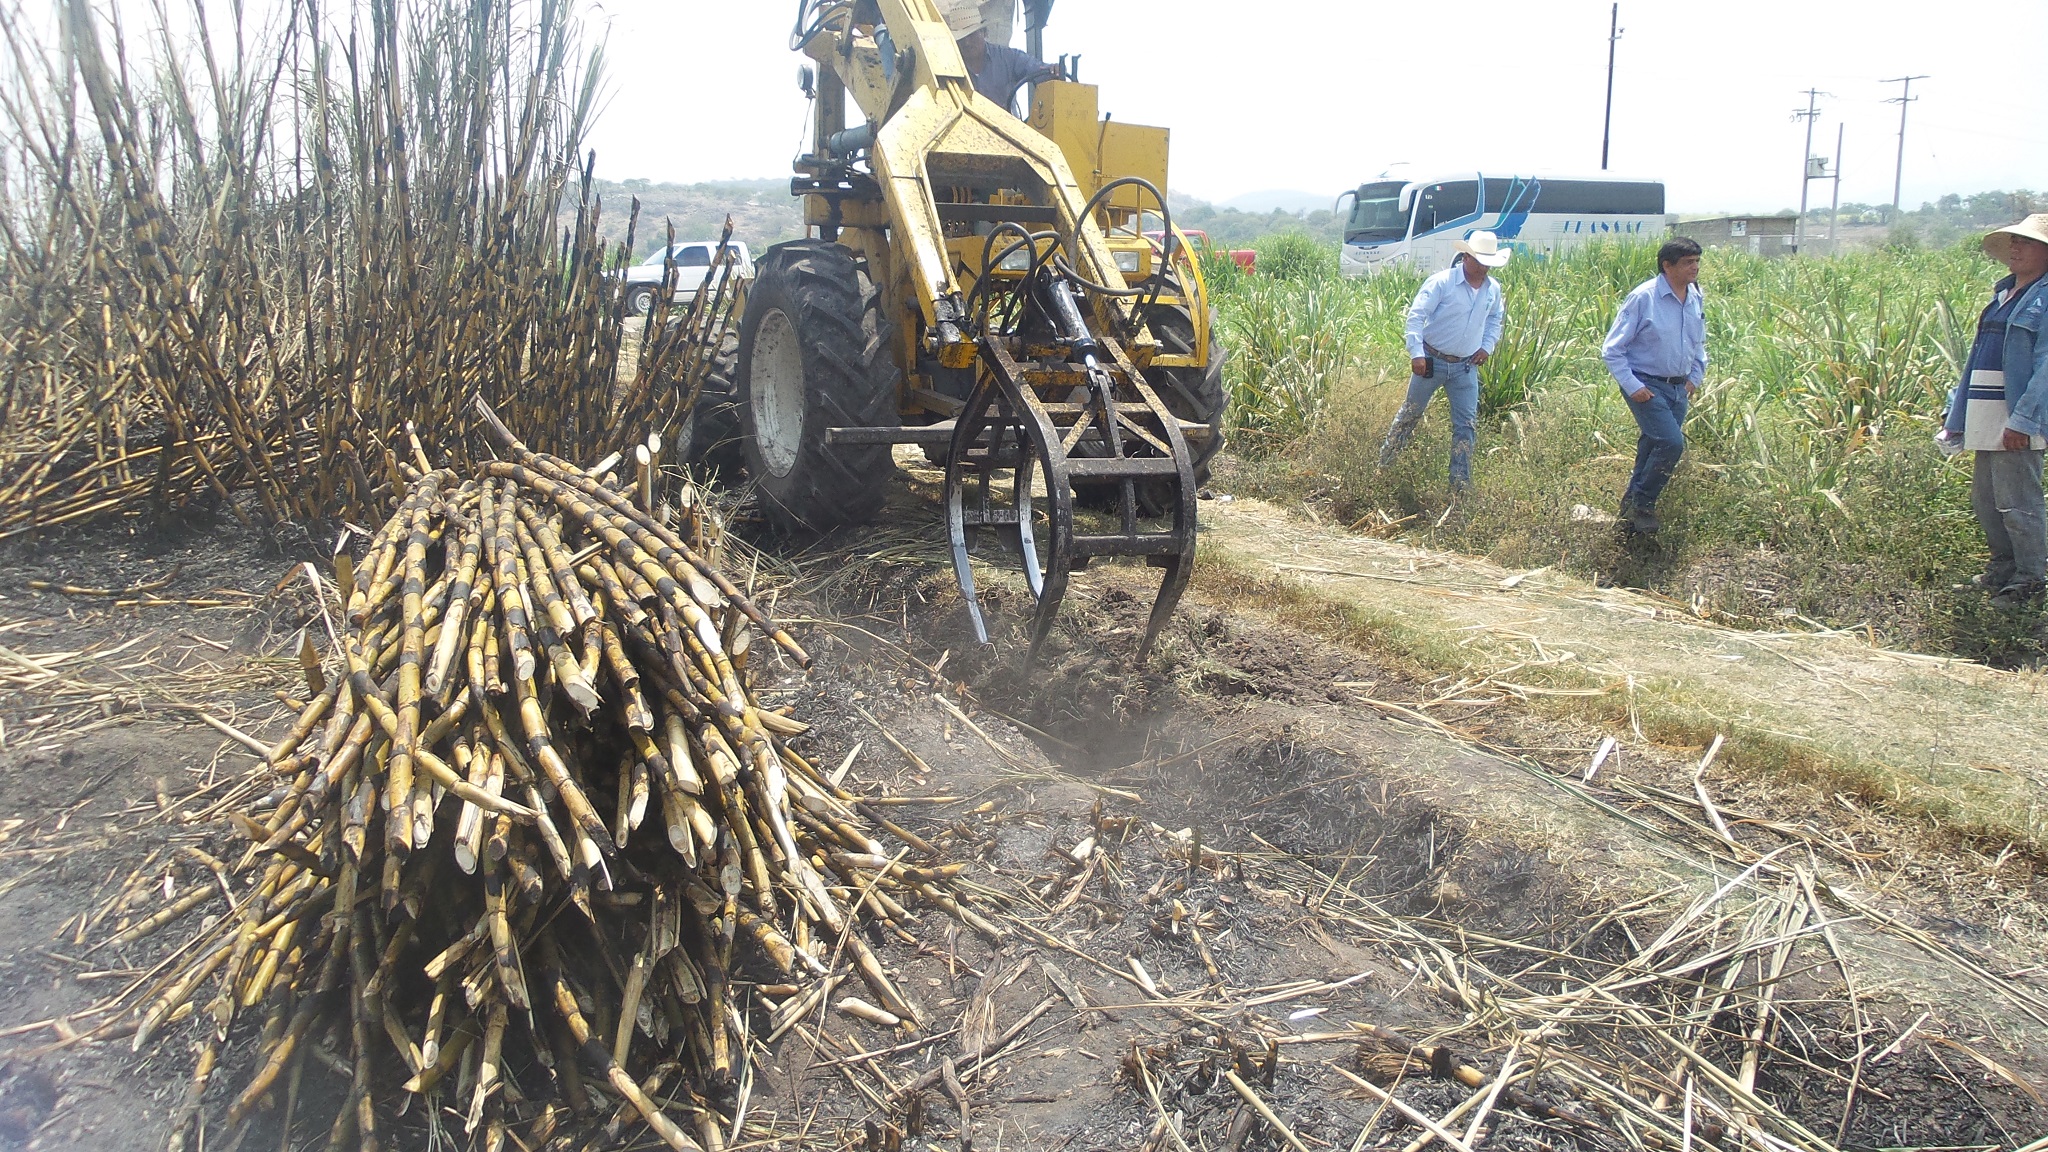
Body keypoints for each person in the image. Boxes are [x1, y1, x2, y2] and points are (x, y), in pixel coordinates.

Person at [1939, 214, 2048, 608]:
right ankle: (2002, 570)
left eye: (2028, 243)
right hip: (1986, 410)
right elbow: (1978, 359)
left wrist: (2024, 420)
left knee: (2019, 502)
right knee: (1987, 500)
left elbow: (2046, 366)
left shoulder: (2044, 298)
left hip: (2018, 413)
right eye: (2014, 242)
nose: (2016, 248)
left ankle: (2031, 580)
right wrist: (1957, 410)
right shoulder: (2003, 295)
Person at [1377, 231, 1510, 490]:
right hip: (1431, 361)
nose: (1485, 268)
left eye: (1489, 264)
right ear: (1466, 257)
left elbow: (1495, 319)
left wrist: (1487, 346)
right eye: (1481, 262)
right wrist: (1417, 354)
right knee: (1410, 415)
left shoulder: (1493, 289)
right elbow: (1416, 316)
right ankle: (1384, 468)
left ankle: (1459, 485)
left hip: (1465, 367)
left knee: (1466, 425)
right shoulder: (1442, 283)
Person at [1602, 237, 1707, 535]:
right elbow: (1612, 348)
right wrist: (1632, 385)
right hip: (1647, 385)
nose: (1695, 267)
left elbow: (1698, 341)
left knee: (1651, 447)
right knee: (1671, 443)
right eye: (1688, 262)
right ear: (1667, 265)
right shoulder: (1644, 298)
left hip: (1679, 387)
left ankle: (1627, 516)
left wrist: (1694, 378)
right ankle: (1644, 504)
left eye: (1697, 261)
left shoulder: (1695, 295)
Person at [942, 0, 1055, 115]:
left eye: (971, 35)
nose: (967, 43)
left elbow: (1039, 71)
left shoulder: (1008, 57)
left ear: (984, 33)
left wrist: (1053, 70)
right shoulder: (949, 67)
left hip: (1007, 129)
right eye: (962, 38)